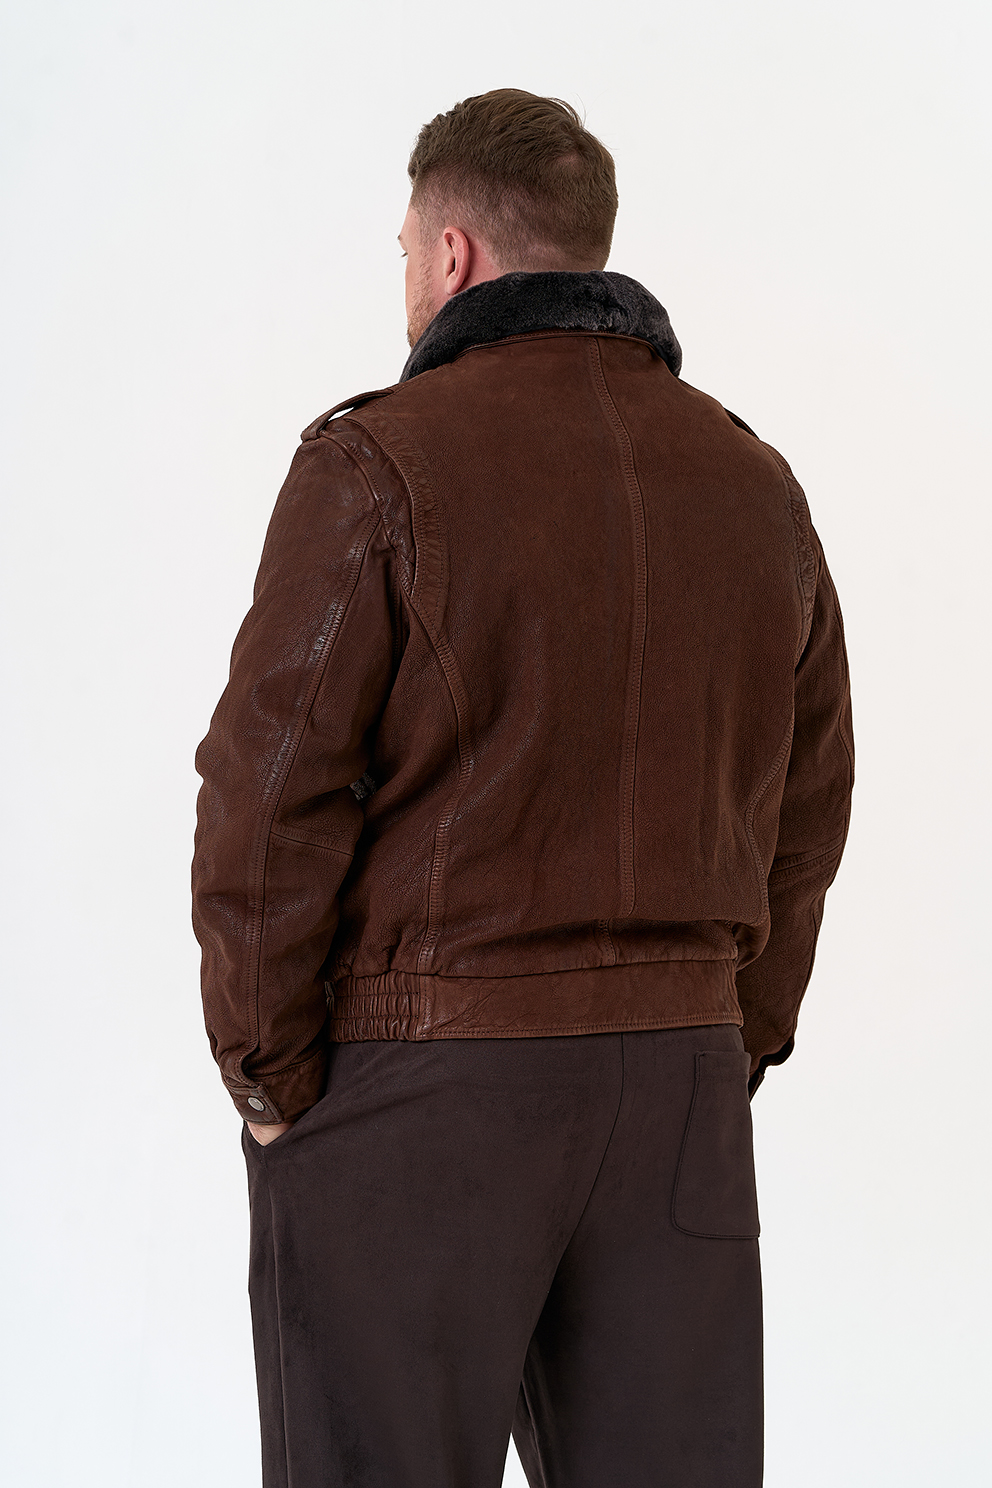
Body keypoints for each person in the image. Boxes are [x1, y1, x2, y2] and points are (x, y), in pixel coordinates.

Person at [191, 87, 855, 1488]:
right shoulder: (754, 481)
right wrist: (729, 1035)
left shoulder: (377, 462)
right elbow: (808, 799)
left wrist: (268, 1076)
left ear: (452, 253)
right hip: (676, 1086)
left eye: (404, 249)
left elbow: (266, 790)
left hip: (421, 1087)